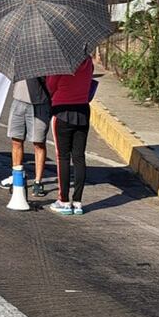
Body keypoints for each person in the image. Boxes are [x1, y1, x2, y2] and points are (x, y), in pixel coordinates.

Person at [46, 57, 94, 216]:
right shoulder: (88, 62)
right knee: (79, 157)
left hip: (62, 111)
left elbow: (50, 86)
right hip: (82, 111)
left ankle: (64, 200)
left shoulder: (59, 63)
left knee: (63, 158)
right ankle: (78, 202)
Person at [6, 78, 51, 197]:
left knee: (38, 143)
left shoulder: (47, 61)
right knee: (16, 141)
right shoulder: (19, 59)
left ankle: (38, 182)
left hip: (40, 104)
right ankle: (17, 178)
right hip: (18, 101)